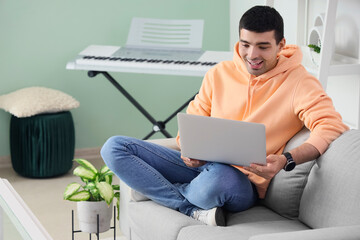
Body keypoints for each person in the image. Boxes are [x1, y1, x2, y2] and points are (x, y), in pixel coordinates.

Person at [100, 6, 349, 227]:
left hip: (239, 181)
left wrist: (287, 159)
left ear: (281, 45)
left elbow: (330, 125)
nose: (252, 55)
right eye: (245, 44)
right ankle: (190, 208)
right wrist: (189, 150)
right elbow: (192, 122)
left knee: (218, 182)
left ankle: (171, 195)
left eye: (263, 46)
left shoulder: (299, 82)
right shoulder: (218, 74)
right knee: (114, 148)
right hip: (199, 168)